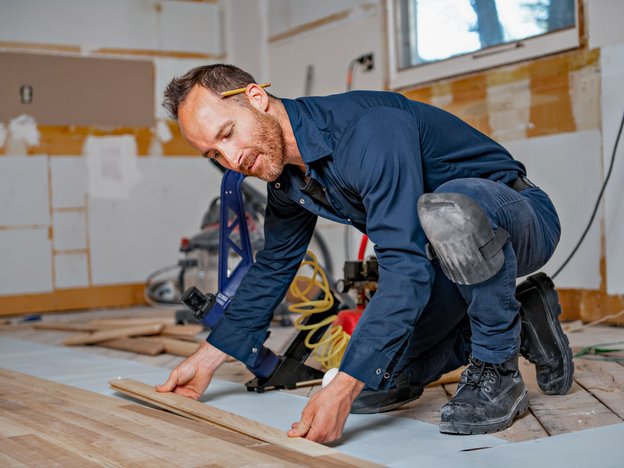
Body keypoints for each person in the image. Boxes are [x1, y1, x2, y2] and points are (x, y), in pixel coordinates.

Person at [156, 64, 573, 443]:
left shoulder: (368, 130)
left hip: (518, 219)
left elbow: (405, 267)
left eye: (227, 135)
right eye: (214, 154)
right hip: (443, 258)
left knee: (448, 208)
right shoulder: (289, 177)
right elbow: (274, 265)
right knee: (390, 370)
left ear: (256, 98)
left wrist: (342, 386)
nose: (231, 160)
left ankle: (497, 367)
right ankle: (524, 317)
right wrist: (210, 355)